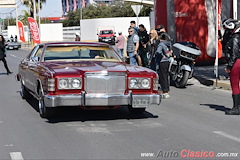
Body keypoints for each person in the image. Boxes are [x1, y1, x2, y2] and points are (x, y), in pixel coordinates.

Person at [222, 18, 240, 115]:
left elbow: (234, 54)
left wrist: (229, 66)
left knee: (235, 85)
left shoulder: (235, 39)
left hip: (236, 63)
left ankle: (236, 108)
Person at [156, 32, 172, 99]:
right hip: (168, 61)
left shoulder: (161, 44)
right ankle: (167, 89)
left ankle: (164, 91)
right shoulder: (168, 44)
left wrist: (162, 55)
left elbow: (158, 51)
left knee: (162, 76)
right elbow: (171, 51)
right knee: (166, 75)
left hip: (162, 61)